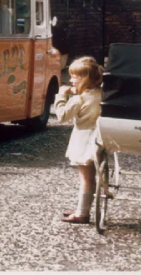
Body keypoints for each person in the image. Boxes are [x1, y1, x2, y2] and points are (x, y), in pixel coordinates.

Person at [54, 56, 103, 224]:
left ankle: (82, 213)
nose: (71, 79)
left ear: (85, 78)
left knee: (86, 178)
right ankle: (82, 208)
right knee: (91, 177)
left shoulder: (79, 99)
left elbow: (62, 116)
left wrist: (61, 96)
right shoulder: (101, 94)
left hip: (84, 140)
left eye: (75, 76)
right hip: (100, 138)